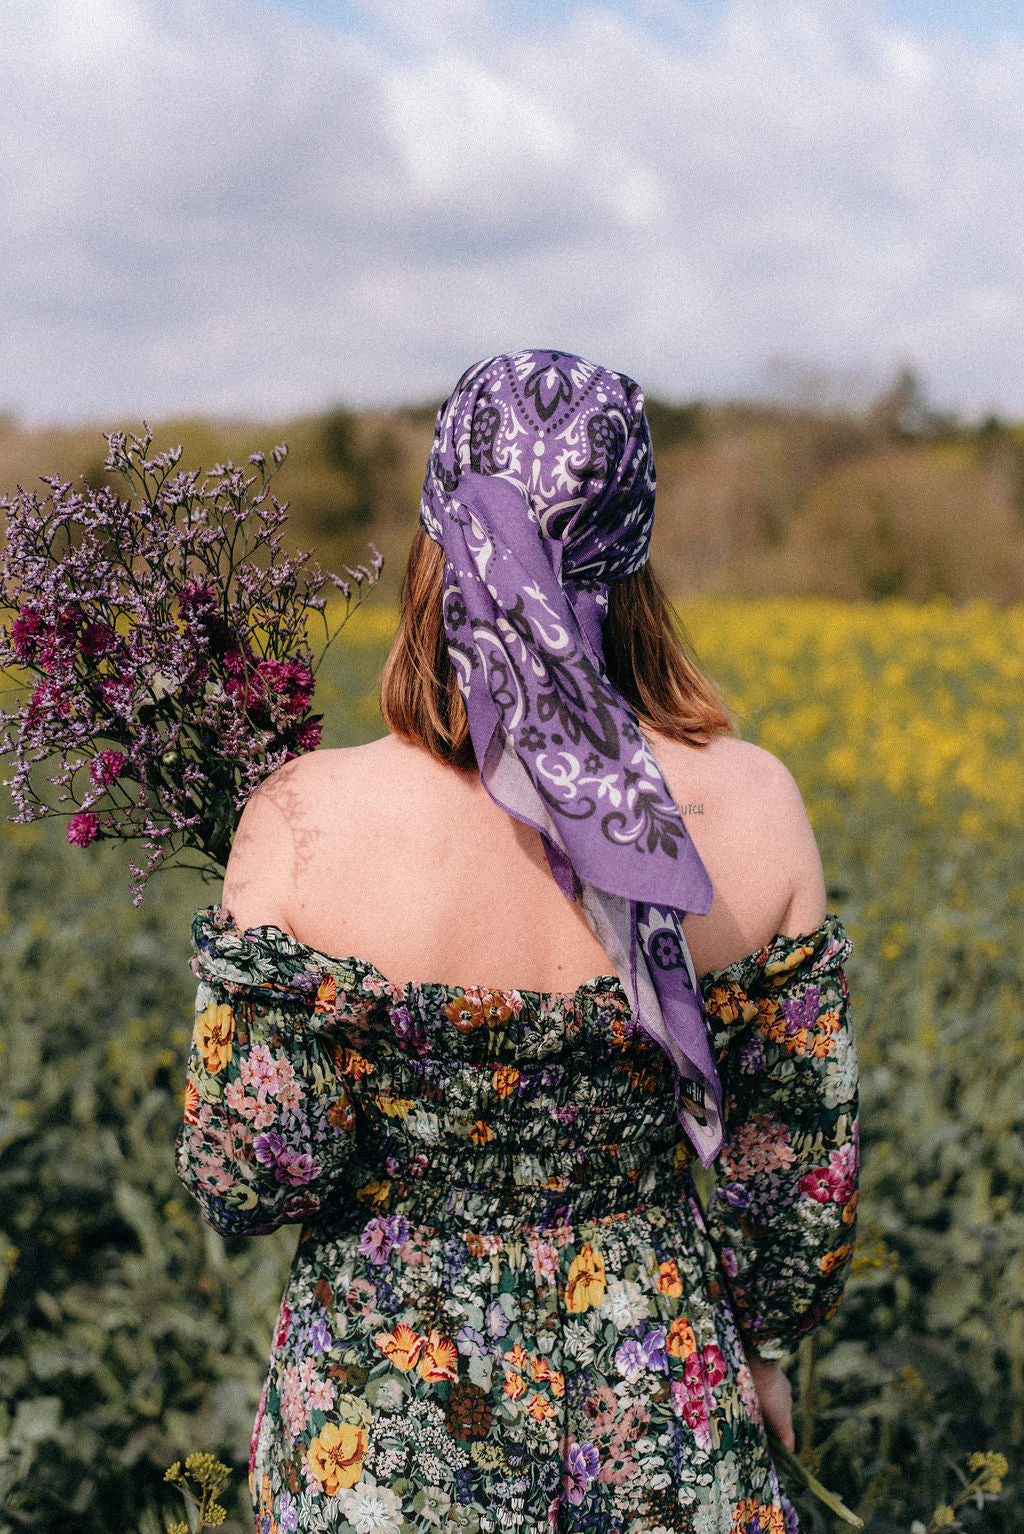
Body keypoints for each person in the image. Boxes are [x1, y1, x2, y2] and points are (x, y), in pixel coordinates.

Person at [177, 350, 859, 1534]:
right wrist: (764, 1351)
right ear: (632, 549)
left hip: (378, 1434)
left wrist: (256, 923)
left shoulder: (304, 814)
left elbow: (253, 1175)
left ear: (440, 537)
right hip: (663, 1407)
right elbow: (795, 1187)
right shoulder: (756, 806)